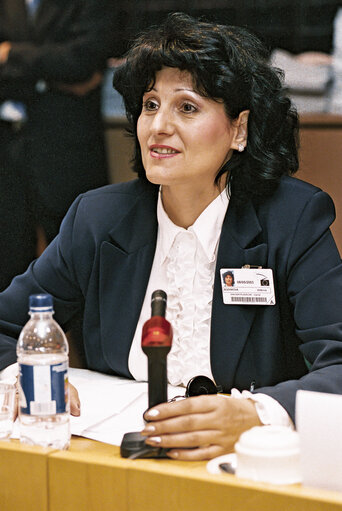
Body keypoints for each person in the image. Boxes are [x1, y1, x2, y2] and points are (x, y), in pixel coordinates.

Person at [0, 12, 342, 460]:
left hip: (248, 462)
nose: (159, 125)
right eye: (150, 104)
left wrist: (259, 412)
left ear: (239, 129)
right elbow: (8, 325)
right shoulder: (99, 217)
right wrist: (24, 375)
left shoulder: (291, 217)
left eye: (186, 107)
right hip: (110, 455)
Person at [0, 0, 117, 290]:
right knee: (9, 262)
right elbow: (66, 67)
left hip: (67, 150)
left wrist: (11, 55)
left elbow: (81, 61)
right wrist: (48, 77)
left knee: (81, 266)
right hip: (9, 145)